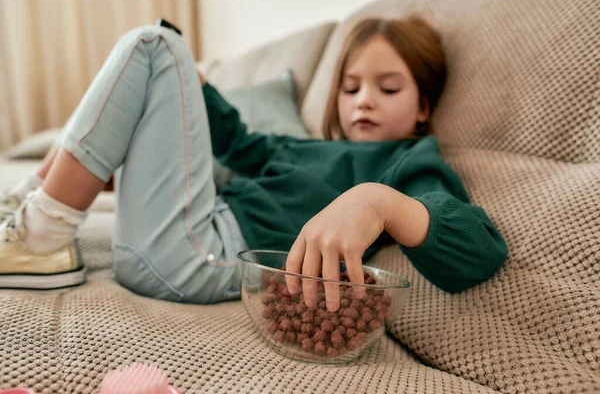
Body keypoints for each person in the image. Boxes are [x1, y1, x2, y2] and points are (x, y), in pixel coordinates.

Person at [0, 16, 508, 310]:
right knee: (155, 50)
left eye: (388, 87)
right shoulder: (311, 148)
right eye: (350, 88)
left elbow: (479, 250)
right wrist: (198, 88)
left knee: (153, 45)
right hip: (187, 236)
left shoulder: (405, 161)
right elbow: (243, 146)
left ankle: (42, 235)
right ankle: (25, 211)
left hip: (207, 254)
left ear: (423, 106)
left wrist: (376, 201)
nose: (363, 101)